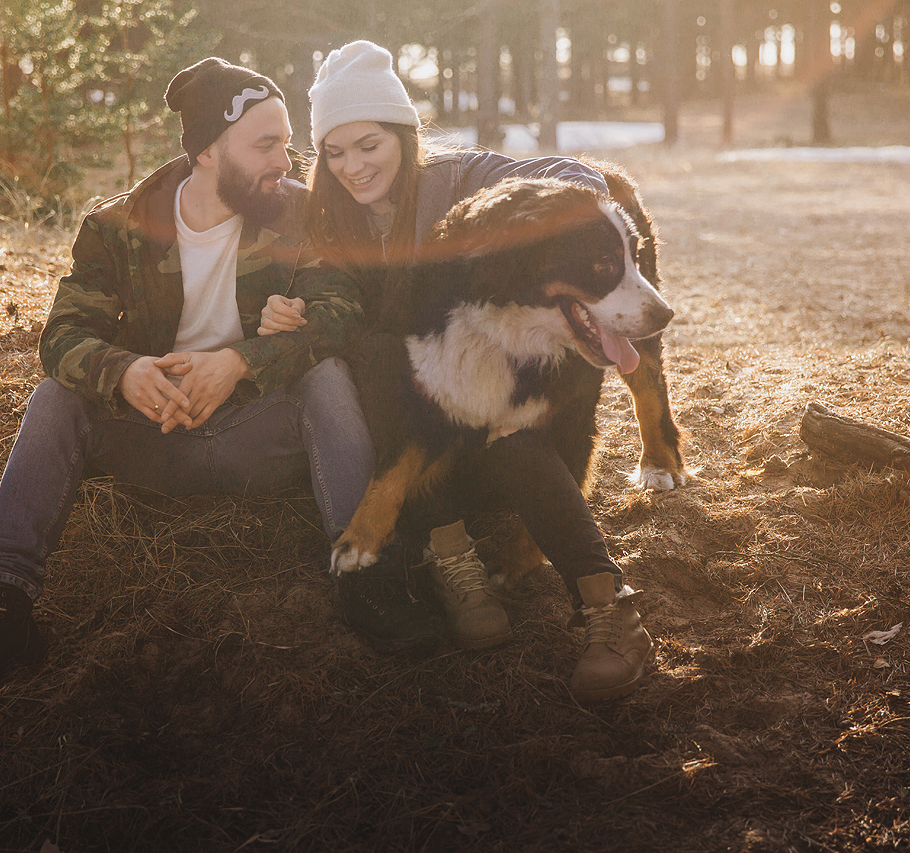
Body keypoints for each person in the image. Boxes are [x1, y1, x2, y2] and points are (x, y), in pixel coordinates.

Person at [0, 56, 440, 708]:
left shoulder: (299, 212)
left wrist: (245, 359)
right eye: (265, 144)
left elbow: (339, 313)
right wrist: (126, 370)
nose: (286, 158)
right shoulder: (118, 227)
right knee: (57, 397)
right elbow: (59, 340)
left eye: (286, 140)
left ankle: (369, 578)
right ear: (205, 151)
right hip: (157, 434)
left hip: (261, 430)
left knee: (329, 376)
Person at [261, 40, 653, 702]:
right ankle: (453, 560)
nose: (353, 167)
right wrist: (288, 307)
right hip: (418, 446)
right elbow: (329, 303)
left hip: (501, 421)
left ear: (404, 137)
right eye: (335, 151)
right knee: (383, 350)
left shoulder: (460, 179)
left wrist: (556, 216)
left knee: (510, 431)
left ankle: (610, 606)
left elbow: (566, 172)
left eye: (370, 146)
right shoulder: (329, 218)